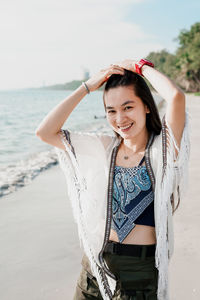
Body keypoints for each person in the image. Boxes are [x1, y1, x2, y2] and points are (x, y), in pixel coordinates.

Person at [35, 59, 190, 300]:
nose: (120, 119)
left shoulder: (162, 150)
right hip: (94, 266)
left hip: (138, 272)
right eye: (111, 111)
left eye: (128, 107)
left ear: (147, 106)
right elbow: (45, 132)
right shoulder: (103, 148)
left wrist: (141, 68)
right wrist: (88, 85)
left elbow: (176, 96)